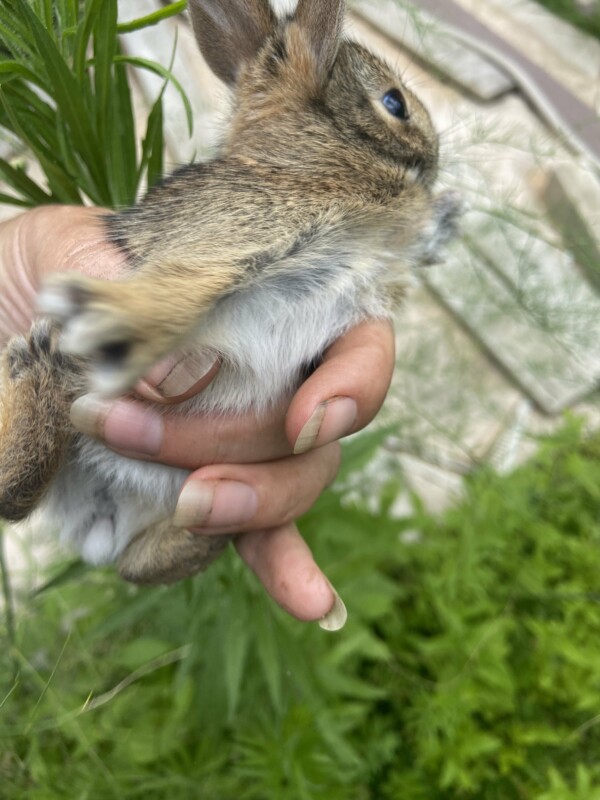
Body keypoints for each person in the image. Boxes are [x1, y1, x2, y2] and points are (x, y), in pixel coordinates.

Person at [0, 205, 395, 627]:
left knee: (149, 529)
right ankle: (37, 414)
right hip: (91, 431)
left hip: (131, 486)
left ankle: (185, 524)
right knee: (25, 484)